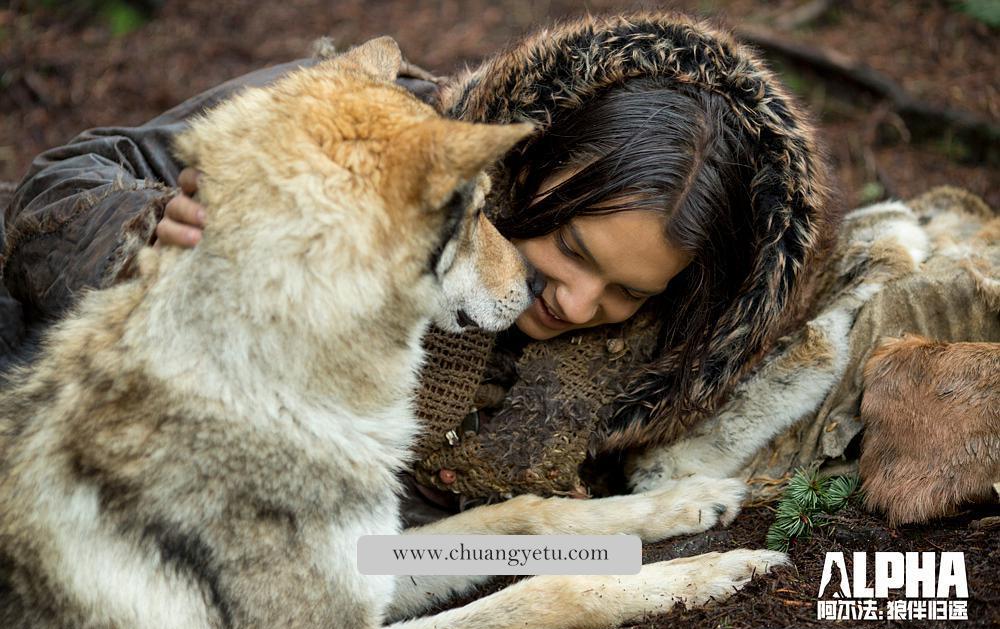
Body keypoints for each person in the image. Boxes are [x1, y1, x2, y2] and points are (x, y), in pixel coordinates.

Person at [0, 13, 849, 523]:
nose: (577, 301)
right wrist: (138, 233)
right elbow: (60, 181)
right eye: (570, 247)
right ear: (528, 165)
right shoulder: (375, 131)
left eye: (630, 292)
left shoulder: (633, 393)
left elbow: (402, 558)